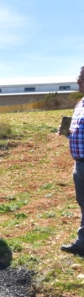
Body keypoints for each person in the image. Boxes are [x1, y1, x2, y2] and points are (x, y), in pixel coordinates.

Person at [60, 67, 84, 254]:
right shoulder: (80, 104)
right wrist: (67, 133)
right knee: (82, 202)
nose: (78, 82)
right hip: (79, 163)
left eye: (81, 78)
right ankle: (82, 241)